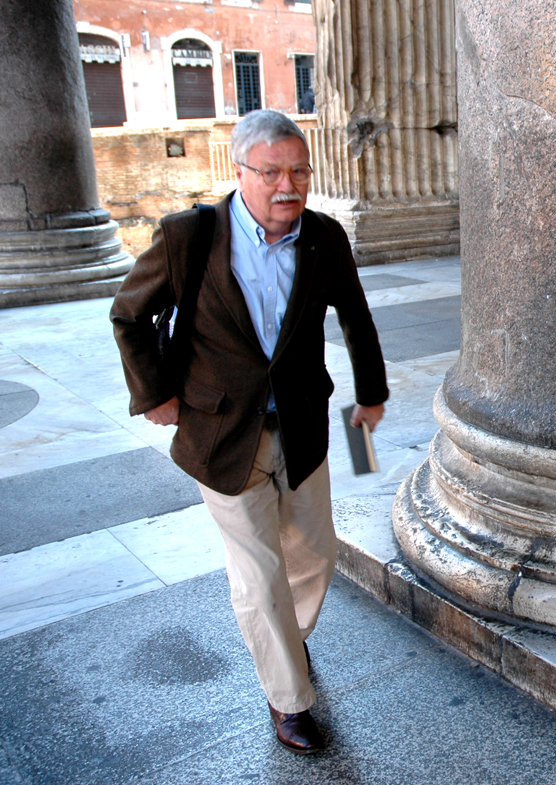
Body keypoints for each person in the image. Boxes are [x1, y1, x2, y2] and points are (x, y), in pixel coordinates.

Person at [111, 109, 388, 754]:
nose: (288, 184)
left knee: (315, 555)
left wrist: (370, 395)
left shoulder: (323, 237)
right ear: (238, 172)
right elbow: (130, 316)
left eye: (299, 170)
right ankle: (288, 700)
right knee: (258, 572)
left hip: (301, 424)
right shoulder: (188, 237)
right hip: (220, 434)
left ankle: (288, 644)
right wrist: (155, 393)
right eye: (272, 172)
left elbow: (355, 317)